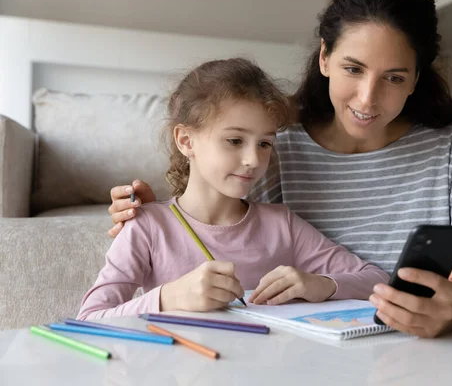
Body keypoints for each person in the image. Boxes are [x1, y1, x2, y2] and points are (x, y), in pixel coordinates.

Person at [107, 0, 452, 337]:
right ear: (325, 57)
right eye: (353, 68)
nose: (368, 99)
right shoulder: (277, 146)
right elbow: (220, 212)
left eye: (394, 78)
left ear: (417, 78)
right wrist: (159, 211)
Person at [77, 58, 389, 320]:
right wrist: (168, 298)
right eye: (235, 140)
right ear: (186, 141)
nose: (254, 159)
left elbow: (376, 279)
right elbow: (89, 318)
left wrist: (321, 285)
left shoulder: (282, 224)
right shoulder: (147, 226)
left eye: (264, 143)